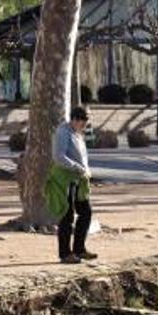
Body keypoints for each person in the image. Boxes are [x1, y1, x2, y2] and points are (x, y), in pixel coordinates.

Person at [45, 106, 98, 264]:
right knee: (66, 216)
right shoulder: (63, 132)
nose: (84, 127)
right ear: (75, 119)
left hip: (78, 180)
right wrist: (78, 168)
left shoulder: (76, 133)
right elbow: (58, 157)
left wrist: (85, 170)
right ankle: (65, 253)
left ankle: (79, 249)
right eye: (82, 123)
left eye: (86, 124)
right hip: (64, 180)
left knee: (86, 212)